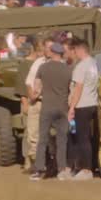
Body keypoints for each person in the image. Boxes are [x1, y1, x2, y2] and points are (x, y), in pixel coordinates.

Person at [30, 42, 71, 181]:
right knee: (62, 140)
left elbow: (36, 89)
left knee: (43, 139)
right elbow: (71, 89)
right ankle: (62, 169)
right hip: (62, 108)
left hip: (47, 107)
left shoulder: (43, 67)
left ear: (52, 52)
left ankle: (40, 170)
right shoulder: (68, 69)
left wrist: (33, 98)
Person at [68, 38, 100, 180]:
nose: (74, 53)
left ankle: (86, 170)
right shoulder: (93, 63)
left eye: (75, 50)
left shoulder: (81, 66)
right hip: (93, 103)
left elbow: (78, 88)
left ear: (80, 50)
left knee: (82, 138)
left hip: (82, 105)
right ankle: (90, 166)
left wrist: (72, 107)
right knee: (90, 137)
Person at [22, 37, 51, 171]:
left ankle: (51, 163)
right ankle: (37, 164)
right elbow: (29, 81)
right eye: (46, 47)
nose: (47, 50)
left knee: (52, 135)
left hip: (51, 103)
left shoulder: (60, 63)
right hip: (36, 103)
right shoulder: (38, 62)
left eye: (51, 47)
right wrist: (31, 95)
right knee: (32, 136)